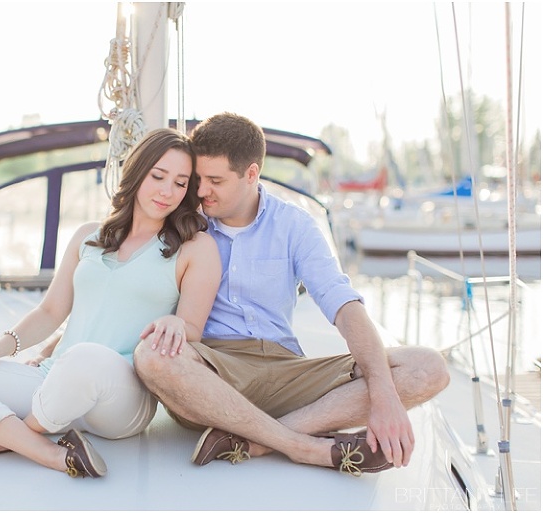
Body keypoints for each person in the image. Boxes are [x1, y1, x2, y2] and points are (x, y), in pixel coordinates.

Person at [133, 113, 450, 476]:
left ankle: (255, 442)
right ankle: (302, 446)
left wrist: (385, 397)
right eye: (199, 179)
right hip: (213, 375)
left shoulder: (294, 225)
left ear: (251, 175)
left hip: (287, 372)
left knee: (428, 368)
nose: (202, 191)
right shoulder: (185, 221)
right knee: (153, 356)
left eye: (215, 180)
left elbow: (343, 305)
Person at [0, 128, 221, 478]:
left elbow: (192, 328)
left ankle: (0, 440)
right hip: (53, 382)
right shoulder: (88, 237)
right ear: (136, 173)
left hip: (121, 396)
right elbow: (51, 311)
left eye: (180, 183)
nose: (168, 191)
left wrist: (177, 323)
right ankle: (51, 454)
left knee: (85, 356)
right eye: (158, 176)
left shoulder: (196, 247)